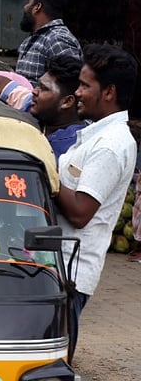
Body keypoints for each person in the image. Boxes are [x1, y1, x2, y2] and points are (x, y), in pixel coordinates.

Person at [53, 43, 137, 360]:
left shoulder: (111, 146)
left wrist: (47, 170)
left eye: (86, 85)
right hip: (61, 268)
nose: (78, 92)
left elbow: (80, 213)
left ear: (109, 92)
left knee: (54, 361)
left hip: (72, 275)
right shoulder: (97, 134)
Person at [16, 0, 82, 84]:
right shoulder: (33, 39)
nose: (25, 7)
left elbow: (70, 85)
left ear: (37, 7)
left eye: (28, 2)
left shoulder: (58, 39)